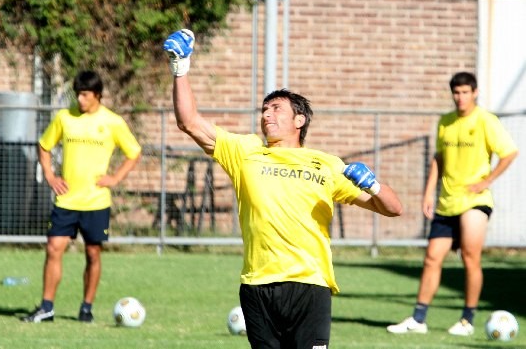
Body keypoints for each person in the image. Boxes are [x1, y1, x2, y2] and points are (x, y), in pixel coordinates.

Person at [164, 29, 403, 349]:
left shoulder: (326, 164)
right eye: (264, 110)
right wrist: (181, 67)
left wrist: (374, 185)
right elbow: (189, 122)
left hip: (309, 286)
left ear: (300, 120)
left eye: (275, 108)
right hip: (257, 284)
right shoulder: (245, 151)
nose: (266, 115)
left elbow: (392, 208)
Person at [387, 71, 518, 336]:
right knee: (432, 257)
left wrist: (486, 181)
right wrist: (427, 192)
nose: (460, 98)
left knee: (470, 257)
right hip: (446, 201)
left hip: (475, 201)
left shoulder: (486, 121)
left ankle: (467, 321)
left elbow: (509, 153)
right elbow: (439, 158)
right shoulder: (445, 122)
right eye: (456, 93)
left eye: (465, 92)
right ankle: (418, 319)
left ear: (475, 92)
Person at [22, 70, 142, 323]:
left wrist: (116, 178)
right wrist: (50, 176)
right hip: (66, 200)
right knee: (54, 248)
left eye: (85, 94)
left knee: (93, 253)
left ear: (98, 95)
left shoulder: (113, 122)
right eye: (78, 94)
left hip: (96, 201)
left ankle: (86, 308)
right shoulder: (65, 118)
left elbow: (134, 152)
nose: (80, 99)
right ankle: (47, 307)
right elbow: (44, 146)